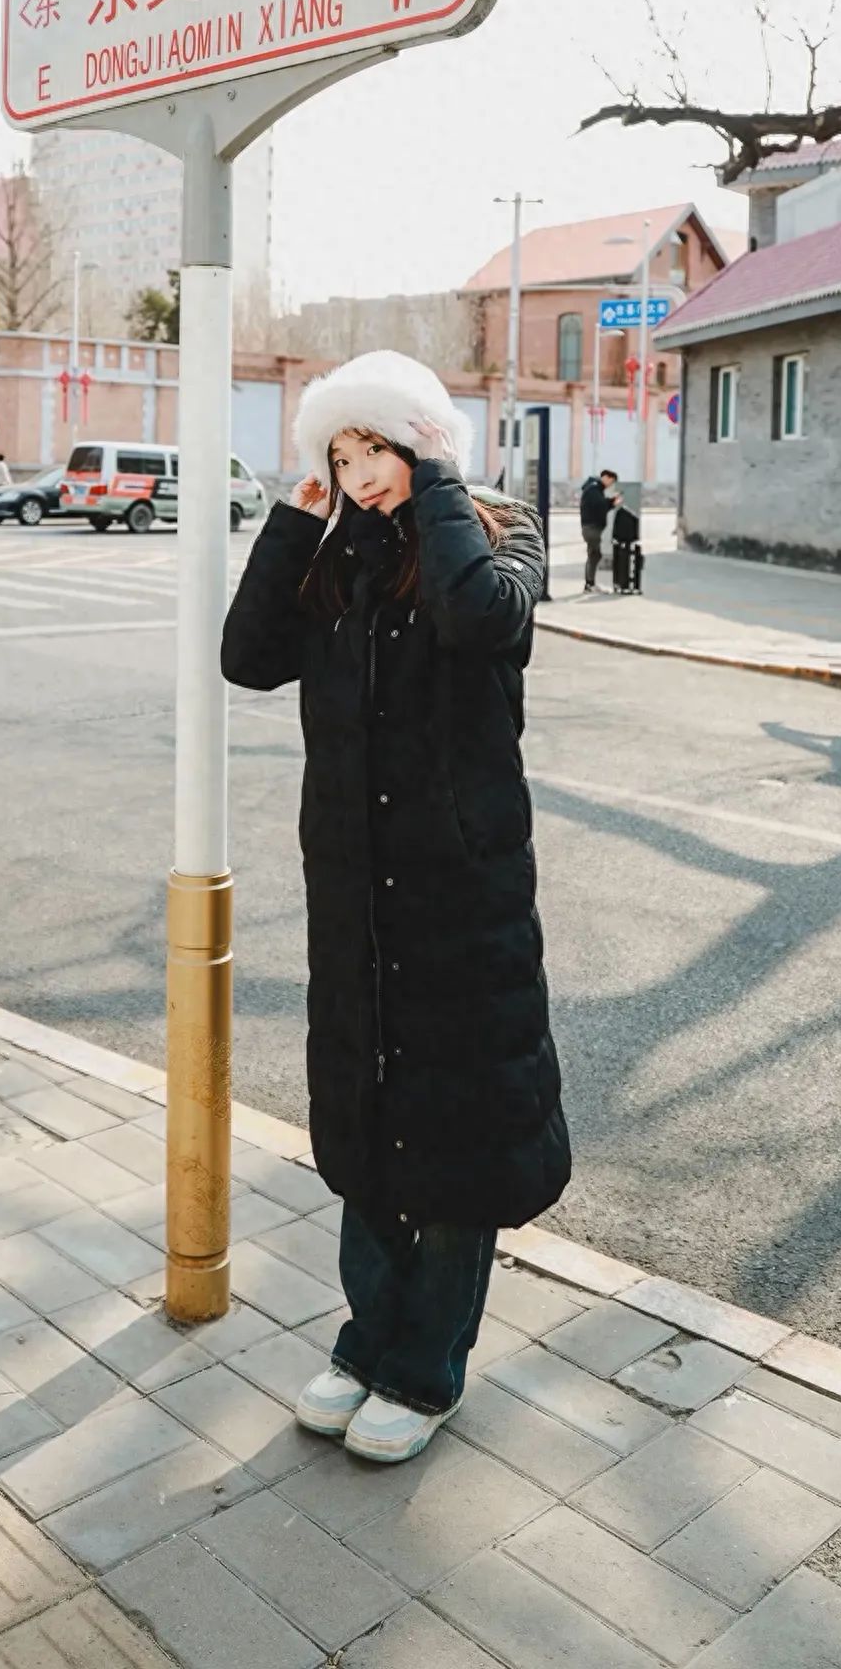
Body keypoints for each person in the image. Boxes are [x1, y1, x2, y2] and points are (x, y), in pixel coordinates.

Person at [221, 349, 570, 1466]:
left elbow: (481, 625)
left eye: (375, 446)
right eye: (341, 451)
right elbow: (247, 656)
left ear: (419, 443)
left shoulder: (501, 535)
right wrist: (294, 519)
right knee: (368, 1126)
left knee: (458, 1136)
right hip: (353, 896)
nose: (358, 471)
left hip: (461, 899)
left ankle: (426, 1373)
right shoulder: (339, 565)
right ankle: (366, 1346)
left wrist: (436, 489)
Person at [579, 467, 618, 592]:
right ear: (606, 477)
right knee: (594, 554)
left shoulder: (594, 489)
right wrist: (612, 503)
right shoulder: (594, 489)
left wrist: (610, 502)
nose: (610, 485)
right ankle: (590, 584)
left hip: (590, 527)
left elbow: (599, 504)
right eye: (611, 482)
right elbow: (600, 506)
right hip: (592, 528)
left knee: (593, 554)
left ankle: (590, 583)